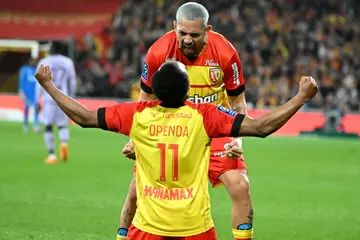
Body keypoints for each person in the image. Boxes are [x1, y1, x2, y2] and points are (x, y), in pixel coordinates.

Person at [34, 61, 318, 240]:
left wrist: (48, 85)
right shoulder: (203, 116)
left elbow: (83, 118)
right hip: (195, 228)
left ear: (155, 91)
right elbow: (261, 127)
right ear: (187, 92)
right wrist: (301, 97)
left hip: (147, 228)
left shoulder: (137, 114)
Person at [119, 2, 251, 239]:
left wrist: (238, 141)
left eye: (194, 34)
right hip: (171, 127)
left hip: (213, 130)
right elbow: (145, 99)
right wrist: (134, 139)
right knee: (135, 192)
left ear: (207, 30)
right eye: (182, 33)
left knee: (240, 187)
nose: (187, 40)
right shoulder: (158, 52)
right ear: (174, 27)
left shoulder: (225, 53)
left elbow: (238, 101)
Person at [36, 41, 77, 164]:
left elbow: (38, 81)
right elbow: (73, 80)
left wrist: (38, 98)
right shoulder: (67, 62)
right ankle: (64, 143)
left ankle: (52, 155)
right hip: (63, 98)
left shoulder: (45, 61)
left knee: (48, 126)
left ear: (51, 49)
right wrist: (71, 97)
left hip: (49, 99)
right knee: (62, 125)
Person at [18, 58, 39, 133]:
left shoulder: (37, 70)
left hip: (35, 93)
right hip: (27, 93)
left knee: (36, 109)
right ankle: (26, 125)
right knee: (26, 109)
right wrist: (21, 91)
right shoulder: (24, 69)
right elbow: (21, 81)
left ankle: (36, 125)